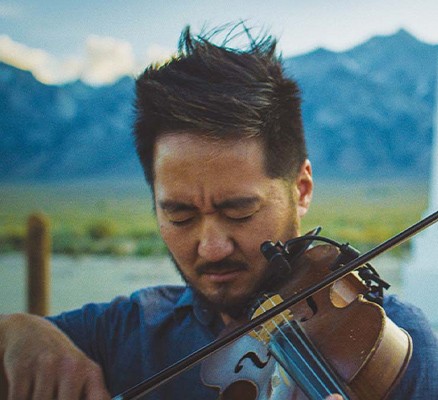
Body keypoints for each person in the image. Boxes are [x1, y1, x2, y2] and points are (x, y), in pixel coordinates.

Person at [1, 24, 437, 400]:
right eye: (180, 215)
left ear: (302, 189)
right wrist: (17, 330)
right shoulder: (127, 331)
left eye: (240, 211)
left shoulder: (394, 345)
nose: (211, 248)